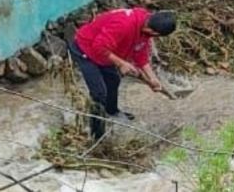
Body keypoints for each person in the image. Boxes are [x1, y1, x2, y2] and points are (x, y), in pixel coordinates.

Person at [69, 8, 176, 139]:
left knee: (113, 80)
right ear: (152, 31)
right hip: (85, 49)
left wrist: (152, 78)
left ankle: (112, 112)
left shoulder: (146, 26)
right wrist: (121, 63)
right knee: (99, 93)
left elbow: (140, 54)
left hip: (107, 53)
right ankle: (97, 135)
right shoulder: (123, 24)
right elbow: (99, 47)